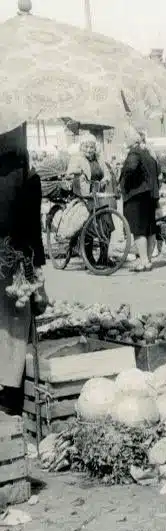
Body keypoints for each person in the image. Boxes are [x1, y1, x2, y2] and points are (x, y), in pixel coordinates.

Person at [0, 124, 49, 404]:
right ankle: (12, 391)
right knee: (15, 322)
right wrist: (36, 271)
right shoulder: (27, 177)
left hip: (6, 257)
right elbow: (32, 232)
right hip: (16, 261)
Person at [66, 134, 114, 268]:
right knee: (87, 227)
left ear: (95, 148)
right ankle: (88, 258)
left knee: (107, 225)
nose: (89, 149)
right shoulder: (77, 158)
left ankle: (104, 258)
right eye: (86, 146)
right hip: (84, 196)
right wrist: (78, 171)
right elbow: (68, 173)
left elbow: (107, 173)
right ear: (81, 147)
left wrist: (105, 179)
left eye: (91, 147)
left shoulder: (99, 158)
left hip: (99, 195)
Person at [119, 128, 160, 272]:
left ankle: (143, 261)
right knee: (149, 229)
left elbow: (131, 168)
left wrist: (123, 178)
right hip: (150, 195)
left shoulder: (134, 152)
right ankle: (148, 260)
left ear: (133, 140)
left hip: (136, 196)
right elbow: (157, 172)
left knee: (138, 230)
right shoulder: (149, 153)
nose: (124, 141)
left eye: (126, 138)